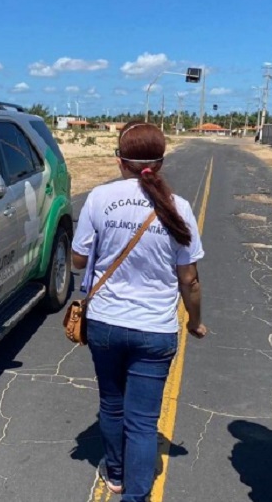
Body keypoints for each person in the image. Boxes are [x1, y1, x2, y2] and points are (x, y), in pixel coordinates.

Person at [71, 121, 206, 502]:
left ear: (120, 160)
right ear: (160, 162)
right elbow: (190, 280)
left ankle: (115, 474)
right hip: (155, 330)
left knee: (111, 406)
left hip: (106, 325)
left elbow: (79, 260)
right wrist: (195, 322)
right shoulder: (178, 207)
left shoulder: (99, 199)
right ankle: (137, 495)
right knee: (144, 423)